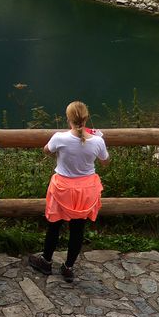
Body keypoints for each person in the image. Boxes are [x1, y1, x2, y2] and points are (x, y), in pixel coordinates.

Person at [28, 101, 109, 281]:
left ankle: (46, 261)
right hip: (86, 190)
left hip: (62, 188)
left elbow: (46, 151)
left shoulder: (60, 138)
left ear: (68, 119)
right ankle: (68, 267)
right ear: (86, 118)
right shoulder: (97, 141)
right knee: (78, 229)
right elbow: (105, 161)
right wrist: (98, 138)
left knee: (54, 225)